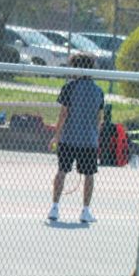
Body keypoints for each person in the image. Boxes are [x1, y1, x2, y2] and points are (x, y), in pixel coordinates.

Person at [47, 53, 105, 224]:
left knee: (62, 171)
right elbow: (98, 119)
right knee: (89, 175)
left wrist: (56, 137)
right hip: (88, 141)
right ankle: (85, 211)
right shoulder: (98, 91)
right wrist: (95, 136)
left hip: (68, 139)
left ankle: (55, 207)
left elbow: (63, 114)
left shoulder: (69, 87)